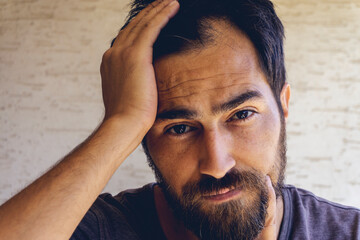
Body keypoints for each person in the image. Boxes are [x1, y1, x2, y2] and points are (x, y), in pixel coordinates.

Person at [0, 0, 359, 239]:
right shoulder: (101, 228)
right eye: (179, 128)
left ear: (283, 105)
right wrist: (121, 121)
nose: (217, 164)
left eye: (242, 115)